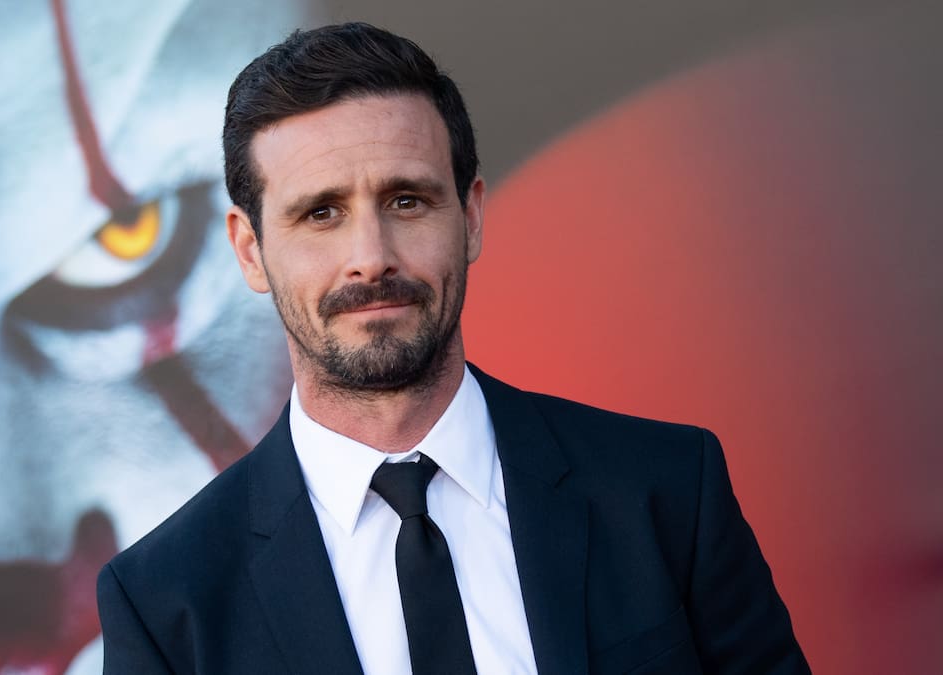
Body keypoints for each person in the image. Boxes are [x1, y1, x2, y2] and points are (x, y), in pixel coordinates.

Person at [97, 22, 810, 674]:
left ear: (469, 216)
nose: (370, 257)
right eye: (321, 213)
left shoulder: (668, 491)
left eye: (407, 200)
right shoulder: (164, 601)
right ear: (250, 250)